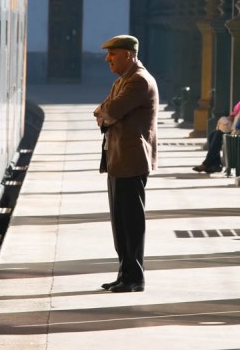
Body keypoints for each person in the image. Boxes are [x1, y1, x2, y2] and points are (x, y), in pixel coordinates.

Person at [94, 34, 159, 293]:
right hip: (118, 158)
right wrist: (105, 112)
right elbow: (107, 110)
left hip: (131, 159)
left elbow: (110, 111)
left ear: (129, 55)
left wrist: (104, 113)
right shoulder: (123, 81)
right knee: (119, 221)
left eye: (113, 54)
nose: (107, 59)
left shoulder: (139, 81)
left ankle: (135, 277)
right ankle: (124, 273)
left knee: (131, 221)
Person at [192, 79, 240, 173]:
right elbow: (235, 111)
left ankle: (208, 163)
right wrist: (231, 117)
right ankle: (215, 164)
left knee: (217, 135)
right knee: (212, 135)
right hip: (235, 126)